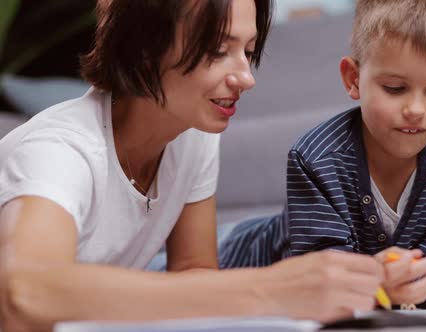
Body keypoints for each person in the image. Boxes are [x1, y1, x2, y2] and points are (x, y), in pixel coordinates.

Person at [0, 1, 396, 331]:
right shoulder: (59, 151)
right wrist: (269, 289)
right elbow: (25, 291)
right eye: (219, 52)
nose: (245, 77)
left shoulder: (193, 133)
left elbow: (192, 271)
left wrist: (354, 283)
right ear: (142, 50)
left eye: (248, 50)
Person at [219, 0, 426, 309]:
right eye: (394, 88)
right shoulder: (315, 158)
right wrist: (382, 280)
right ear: (353, 79)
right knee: (169, 270)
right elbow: (323, 282)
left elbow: (425, 272)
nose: (416, 110)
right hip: (233, 255)